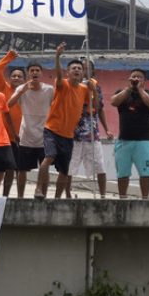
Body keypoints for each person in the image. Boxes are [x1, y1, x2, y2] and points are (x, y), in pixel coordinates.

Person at [35, 44, 94, 200]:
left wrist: (93, 88)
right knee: (49, 157)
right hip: (52, 130)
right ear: (68, 72)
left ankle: (57, 198)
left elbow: (93, 108)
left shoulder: (84, 89)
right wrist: (57, 56)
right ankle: (39, 189)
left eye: (79, 69)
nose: (76, 70)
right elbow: (59, 77)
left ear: (83, 73)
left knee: (64, 169)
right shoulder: (63, 84)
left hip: (68, 135)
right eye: (73, 68)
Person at [7, 61, 54, 199]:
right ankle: (20, 197)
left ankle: (42, 194)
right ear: (28, 73)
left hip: (44, 135)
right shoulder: (21, 88)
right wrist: (22, 91)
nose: (34, 72)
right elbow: (9, 104)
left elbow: (57, 106)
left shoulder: (49, 89)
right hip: (26, 135)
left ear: (41, 73)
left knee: (44, 169)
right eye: (32, 70)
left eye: (37, 70)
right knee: (22, 169)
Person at [110, 68, 149, 199]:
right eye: (133, 77)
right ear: (129, 79)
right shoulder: (123, 93)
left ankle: (145, 199)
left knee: (146, 173)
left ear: (144, 81)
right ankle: (122, 199)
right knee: (122, 173)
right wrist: (129, 89)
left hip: (143, 141)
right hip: (123, 140)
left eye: (139, 77)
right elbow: (113, 101)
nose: (136, 79)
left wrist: (141, 90)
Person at [68, 60, 112, 197]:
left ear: (92, 72)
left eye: (87, 69)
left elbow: (99, 108)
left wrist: (107, 129)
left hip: (92, 133)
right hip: (73, 133)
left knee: (99, 165)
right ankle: (66, 193)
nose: (83, 71)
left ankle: (103, 194)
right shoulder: (70, 85)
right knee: (70, 166)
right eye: (82, 68)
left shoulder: (95, 87)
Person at [0, 50, 25, 196]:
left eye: (19, 76)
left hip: (19, 137)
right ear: (9, 78)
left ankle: (7, 196)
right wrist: (9, 57)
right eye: (14, 76)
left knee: (14, 169)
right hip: (2, 137)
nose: (16, 78)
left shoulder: (27, 92)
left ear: (24, 79)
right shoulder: (3, 88)